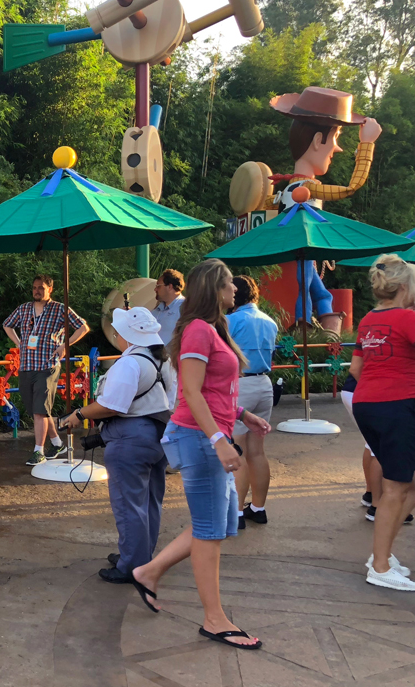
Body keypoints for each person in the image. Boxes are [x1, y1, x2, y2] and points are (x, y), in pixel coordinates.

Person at [130, 260, 272, 650]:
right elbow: (190, 392)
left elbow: (213, 389)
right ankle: (214, 619)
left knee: (217, 524)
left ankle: (148, 572)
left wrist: (242, 415)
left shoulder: (212, 328)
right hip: (198, 438)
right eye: (228, 284)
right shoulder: (197, 330)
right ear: (213, 288)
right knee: (210, 532)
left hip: (208, 434)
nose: (234, 289)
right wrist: (219, 440)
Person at [59, 308, 175, 583]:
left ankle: (132, 566)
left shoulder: (129, 363)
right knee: (149, 501)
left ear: (128, 335)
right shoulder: (163, 360)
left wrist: (78, 414)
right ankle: (140, 555)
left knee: (128, 503)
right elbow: (171, 399)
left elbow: (111, 406)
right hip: (158, 434)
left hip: (130, 439)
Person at [269, 86, 382, 334]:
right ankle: (304, 327)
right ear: (318, 141)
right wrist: (366, 144)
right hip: (302, 248)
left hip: (302, 249)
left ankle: (326, 332)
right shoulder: (306, 187)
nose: (337, 149)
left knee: (320, 291)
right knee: (306, 284)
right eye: (335, 138)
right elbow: (351, 188)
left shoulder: (292, 186)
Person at [350, 255, 415, 591]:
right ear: (404, 286)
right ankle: (379, 565)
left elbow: (356, 369)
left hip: (369, 403)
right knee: (396, 487)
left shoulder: (368, 320)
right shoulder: (407, 318)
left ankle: (383, 555)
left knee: (408, 482)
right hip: (397, 405)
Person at [4, 275, 89, 465]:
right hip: (27, 365)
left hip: (47, 365)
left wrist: (65, 345)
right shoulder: (24, 308)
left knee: (40, 410)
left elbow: (83, 328)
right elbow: (7, 324)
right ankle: (57, 443)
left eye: (41, 288)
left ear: (50, 289)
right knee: (38, 410)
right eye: (34, 287)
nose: (37, 291)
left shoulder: (59, 309)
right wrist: (19, 343)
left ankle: (38, 451)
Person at [226, 275, 279, 529]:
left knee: (238, 450)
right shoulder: (270, 321)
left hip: (240, 384)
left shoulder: (230, 320)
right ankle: (258, 508)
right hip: (264, 384)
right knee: (257, 450)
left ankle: (236, 513)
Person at [339, 375, 386, 521]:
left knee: (372, 445)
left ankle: (371, 495)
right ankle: (378, 506)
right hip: (369, 394)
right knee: (381, 447)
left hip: (357, 391)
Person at [152, 269, 185, 345]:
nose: (155, 289)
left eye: (158, 286)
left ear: (170, 286)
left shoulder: (185, 308)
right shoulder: (157, 309)